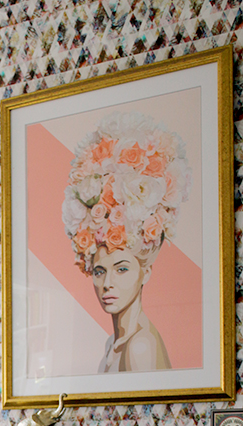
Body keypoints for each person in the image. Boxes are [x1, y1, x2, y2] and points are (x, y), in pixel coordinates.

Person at [62, 111, 192, 373]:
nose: (107, 283)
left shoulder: (140, 345)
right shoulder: (115, 343)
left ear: (146, 273)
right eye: (100, 271)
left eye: (122, 269)